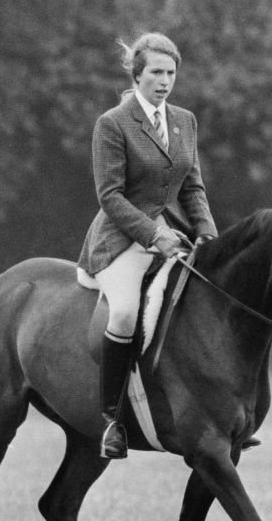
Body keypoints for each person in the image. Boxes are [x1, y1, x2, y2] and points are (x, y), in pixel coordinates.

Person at [77, 32, 218, 459]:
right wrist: (154, 235)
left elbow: (192, 186)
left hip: (174, 234)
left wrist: (208, 234)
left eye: (171, 73)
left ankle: (220, 414)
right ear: (137, 76)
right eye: (156, 72)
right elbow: (110, 196)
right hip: (121, 239)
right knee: (123, 313)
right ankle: (113, 421)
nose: (164, 80)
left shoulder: (185, 121)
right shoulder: (113, 124)